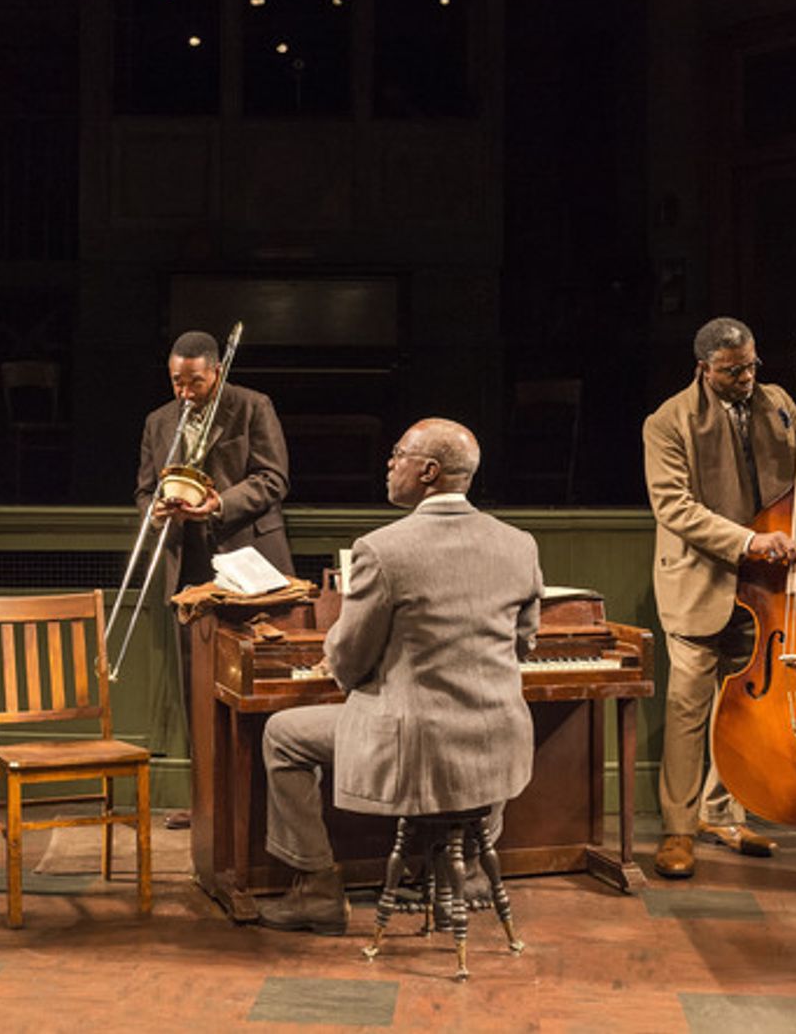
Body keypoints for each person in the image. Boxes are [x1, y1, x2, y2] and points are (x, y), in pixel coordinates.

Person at [256, 418, 543, 934]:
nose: (389, 465)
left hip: (417, 744)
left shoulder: (382, 550)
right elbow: (522, 643)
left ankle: (317, 888)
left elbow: (348, 656)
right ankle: (465, 869)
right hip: (497, 736)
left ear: (428, 471)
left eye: (398, 454)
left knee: (283, 735)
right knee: (467, 738)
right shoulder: (519, 544)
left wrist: (358, 671)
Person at [643, 317, 796, 879]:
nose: (747, 378)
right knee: (688, 709)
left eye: (752, 365)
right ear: (703, 369)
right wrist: (751, 541)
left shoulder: (780, 400)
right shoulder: (667, 421)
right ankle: (678, 832)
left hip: (767, 587)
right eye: (733, 371)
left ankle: (721, 814)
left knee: (745, 707)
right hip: (701, 581)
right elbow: (674, 508)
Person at [136, 329, 292, 827]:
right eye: (177, 382)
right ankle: (205, 803)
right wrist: (158, 511)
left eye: (195, 382)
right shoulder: (158, 421)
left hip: (248, 562)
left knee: (251, 681)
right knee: (195, 687)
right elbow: (143, 491)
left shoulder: (252, 406)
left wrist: (217, 504)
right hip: (190, 569)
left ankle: (256, 805)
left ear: (216, 373)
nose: (185, 392)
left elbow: (273, 478)